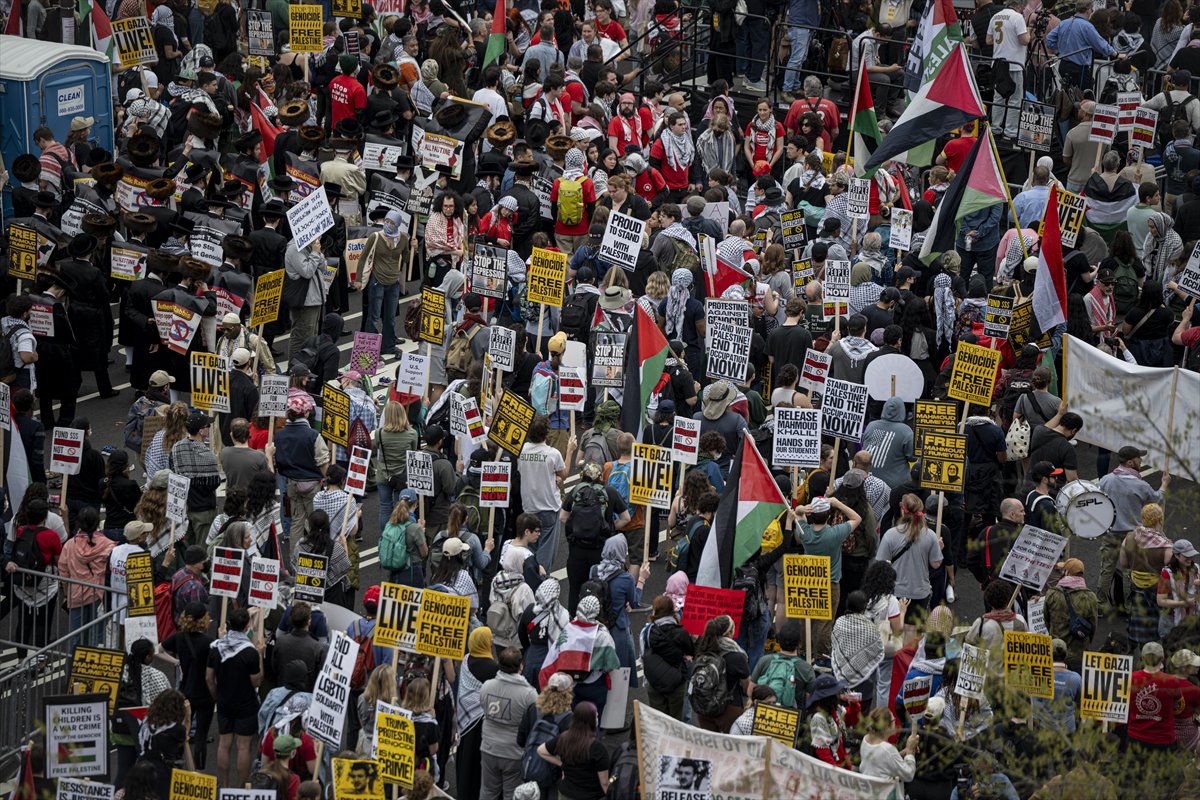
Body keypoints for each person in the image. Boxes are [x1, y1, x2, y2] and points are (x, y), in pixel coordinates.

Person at [206, 606, 266, 788]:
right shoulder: (250, 652)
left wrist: (217, 697)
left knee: (224, 744)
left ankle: (224, 787)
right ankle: (240, 789)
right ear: (247, 626)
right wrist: (260, 655)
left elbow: (209, 678)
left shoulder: (217, 647)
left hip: (224, 701)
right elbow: (256, 682)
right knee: (243, 747)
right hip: (246, 704)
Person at [795, 496, 862, 656]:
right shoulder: (835, 533)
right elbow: (857, 518)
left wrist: (802, 509)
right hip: (830, 584)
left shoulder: (805, 532)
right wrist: (838, 503)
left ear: (812, 514)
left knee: (806, 619)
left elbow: (797, 514)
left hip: (808, 583)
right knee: (825, 623)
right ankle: (822, 656)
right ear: (829, 515)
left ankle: (804, 652)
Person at [876, 494, 945, 634]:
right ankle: (907, 655)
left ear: (903, 510)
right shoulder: (930, 535)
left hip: (895, 591)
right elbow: (936, 564)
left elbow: (881, 564)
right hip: (920, 591)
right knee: (911, 632)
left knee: (892, 631)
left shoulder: (890, 534)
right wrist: (939, 548)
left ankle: (894, 655)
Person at [479, 647, 538, 798]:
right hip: (514, 752)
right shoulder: (529, 694)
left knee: (488, 791)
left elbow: (484, 709)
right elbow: (534, 723)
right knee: (512, 794)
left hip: (488, 748)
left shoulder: (486, 686)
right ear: (521, 667)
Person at [536, 701, 609, 800]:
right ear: (590, 720)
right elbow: (604, 782)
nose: (597, 719)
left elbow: (541, 750)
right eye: (595, 716)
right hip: (591, 795)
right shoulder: (598, 748)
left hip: (565, 794)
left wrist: (561, 764)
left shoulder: (563, 738)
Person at [690, 615, 750, 733]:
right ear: (729, 633)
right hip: (729, 709)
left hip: (704, 707)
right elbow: (746, 686)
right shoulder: (737, 656)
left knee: (711, 745)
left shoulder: (703, 649)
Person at [642, 594, 695, 719]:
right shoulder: (681, 632)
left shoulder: (647, 631)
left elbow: (643, 654)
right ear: (672, 611)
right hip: (676, 681)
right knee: (675, 720)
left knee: (659, 719)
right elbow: (691, 652)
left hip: (654, 680)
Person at [1044, 558, 1098, 671]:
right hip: (1079, 653)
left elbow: (1047, 621)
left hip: (1057, 651)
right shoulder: (1091, 597)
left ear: (1067, 573)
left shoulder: (1052, 594)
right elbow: (1093, 626)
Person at [858, 706, 919, 781]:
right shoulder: (888, 749)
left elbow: (882, 760)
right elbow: (908, 775)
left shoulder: (866, 739)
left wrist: (904, 751)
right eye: (893, 720)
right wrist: (910, 753)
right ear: (887, 725)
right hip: (884, 790)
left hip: (868, 787)